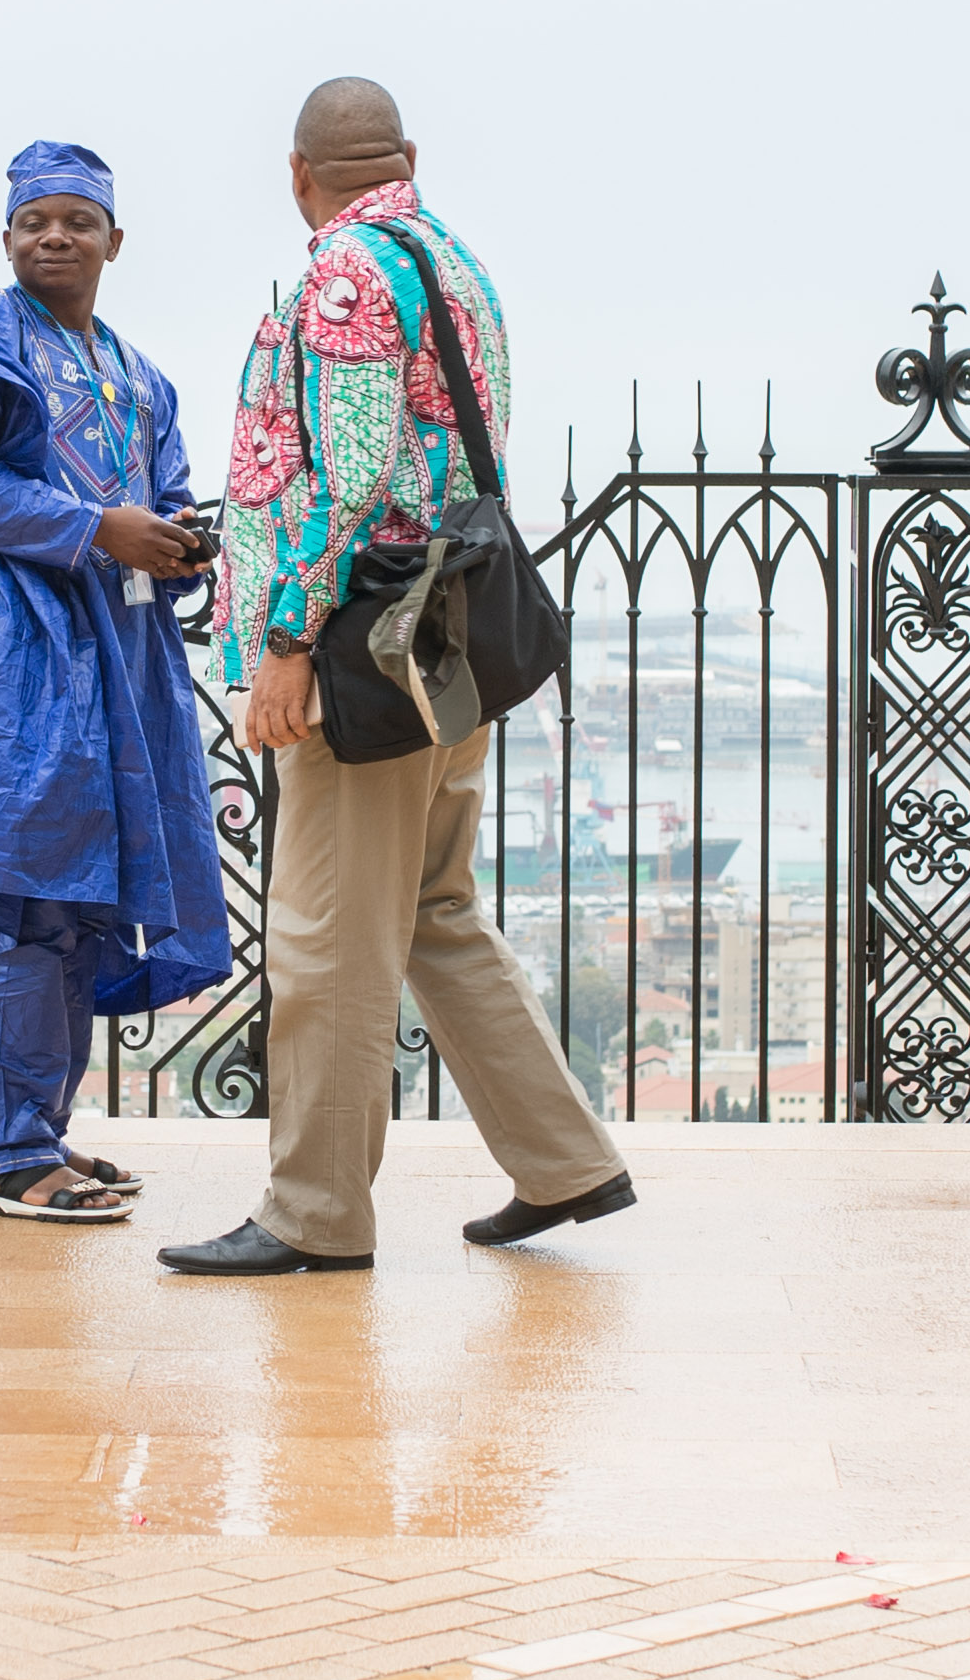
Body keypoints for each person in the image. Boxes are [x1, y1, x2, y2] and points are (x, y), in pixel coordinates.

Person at [156, 80, 630, 1278]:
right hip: (445, 640)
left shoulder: (345, 271)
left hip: (360, 652)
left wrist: (284, 638)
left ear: (298, 175)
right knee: (435, 909)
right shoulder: (454, 261)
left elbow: (350, 474)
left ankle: (313, 1212)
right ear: (407, 156)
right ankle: (566, 1159)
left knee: (323, 938)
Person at [0, 144, 230, 1221]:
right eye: (36, 219)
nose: (55, 237)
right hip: (14, 667)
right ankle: (1, 1157)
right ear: (6, 237)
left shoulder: (139, 371)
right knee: (14, 900)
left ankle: (42, 1133)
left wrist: (171, 541)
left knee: (76, 906)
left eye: (79, 219)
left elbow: (160, 488)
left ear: (114, 239)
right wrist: (96, 529)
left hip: (123, 661)